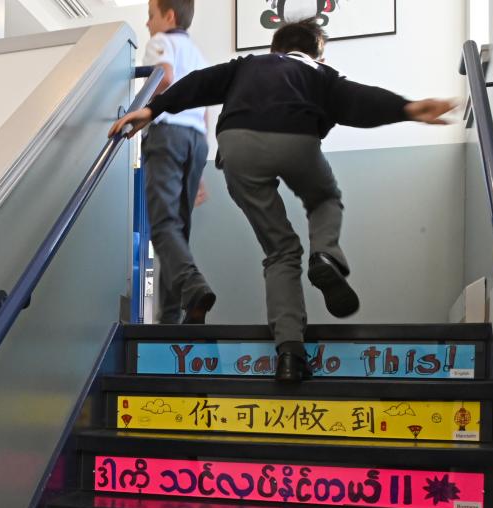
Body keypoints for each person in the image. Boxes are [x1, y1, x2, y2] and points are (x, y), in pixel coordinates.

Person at [111, 18, 456, 381]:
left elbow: (199, 83)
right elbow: (357, 99)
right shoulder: (319, 73)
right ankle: (325, 254)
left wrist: (152, 109)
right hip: (296, 139)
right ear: (317, 54)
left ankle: (290, 354)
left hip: (236, 146)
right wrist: (407, 109)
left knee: (280, 250)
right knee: (324, 198)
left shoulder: (248, 65)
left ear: (276, 47)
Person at [139, 0, 214, 324]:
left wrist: (142, 110)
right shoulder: (198, 57)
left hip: (167, 135)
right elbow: (207, 111)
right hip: (195, 141)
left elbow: (164, 77)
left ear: (169, 17)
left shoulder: (160, 42)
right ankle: (169, 318)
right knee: (177, 230)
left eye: (150, 16)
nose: (147, 24)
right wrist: (199, 173)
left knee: (163, 224)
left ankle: (192, 285)